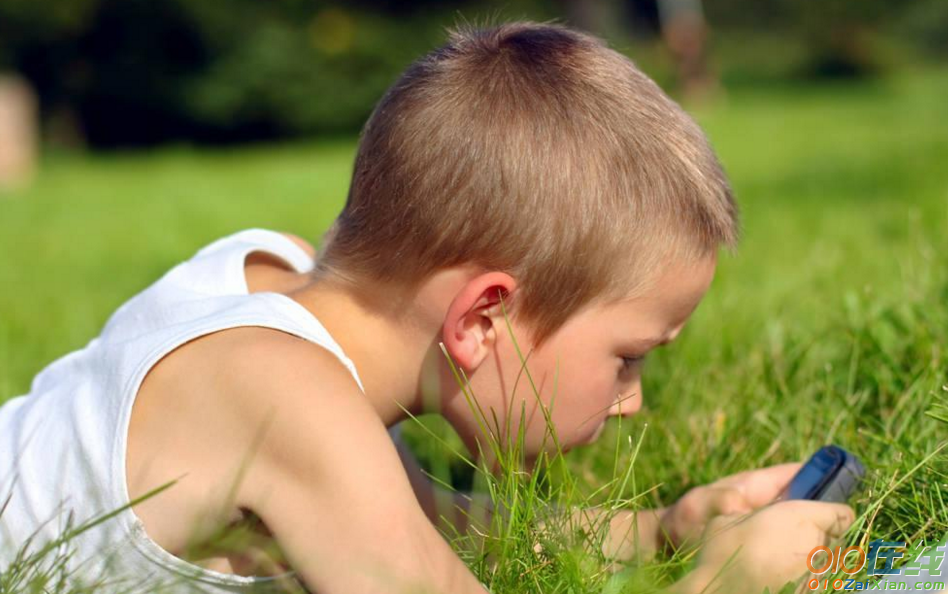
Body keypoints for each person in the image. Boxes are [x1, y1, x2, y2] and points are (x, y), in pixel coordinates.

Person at [0, 20, 856, 594]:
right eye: (629, 357)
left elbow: (440, 523)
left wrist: (667, 530)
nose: (635, 400)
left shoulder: (284, 284)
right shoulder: (280, 392)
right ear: (482, 319)